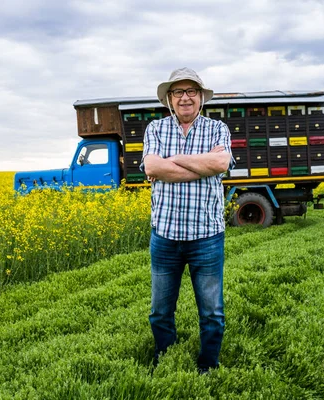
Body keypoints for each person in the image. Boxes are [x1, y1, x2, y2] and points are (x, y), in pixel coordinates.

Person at [140, 67, 234, 374]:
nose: (185, 98)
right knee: (159, 311)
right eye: (178, 92)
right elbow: (152, 166)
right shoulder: (155, 129)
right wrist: (200, 165)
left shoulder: (217, 129)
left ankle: (208, 365)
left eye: (191, 91)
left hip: (206, 236)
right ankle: (165, 358)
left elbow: (221, 162)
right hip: (164, 236)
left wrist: (173, 161)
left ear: (201, 97)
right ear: (169, 98)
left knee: (212, 312)